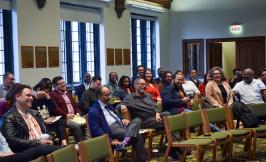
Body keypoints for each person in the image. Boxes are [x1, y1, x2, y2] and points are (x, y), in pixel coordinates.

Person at [89, 86, 147, 162]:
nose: (109, 97)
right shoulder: (94, 111)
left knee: (137, 120)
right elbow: (96, 130)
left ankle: (123, 143)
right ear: (99, 96)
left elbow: (116, 116)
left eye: (109, 94)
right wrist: (110, 141)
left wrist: (123, 119)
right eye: (107, 95)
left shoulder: (108, 105)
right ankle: (142, 160)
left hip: (121, 125)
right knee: (137, 135)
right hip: (112, 129)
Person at [0, 84, 60, 156]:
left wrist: (50, 139)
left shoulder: (35, 113)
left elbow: (46, 131)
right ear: (17, 97)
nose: (31, 98)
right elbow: (12, 141)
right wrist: (38, 142)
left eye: (31, 95)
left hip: (44, 146)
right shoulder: (8, 117)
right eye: (28, 95)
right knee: (62, 151)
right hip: (27, 150)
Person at [32, 78, 67, 146]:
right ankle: (60, 145)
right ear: (39, 90)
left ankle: (63, 143)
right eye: (45, 92)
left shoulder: (46, 98)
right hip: (41, 125)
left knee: (61, 121)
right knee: (58, 129)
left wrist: (48, 98)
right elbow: (32, 118)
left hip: (50, 122)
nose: (46, 94)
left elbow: (54, 109)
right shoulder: (32, 101)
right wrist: (44, 121)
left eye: (48, 92)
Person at [49, 76, 84, 142]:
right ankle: (81, 145)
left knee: (85, 122)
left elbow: (75, 105)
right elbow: (55, 109)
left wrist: (78, 112)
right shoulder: (52, 95)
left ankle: (85, 141)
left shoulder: (67, 92)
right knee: (75, 126)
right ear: (54, 86)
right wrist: (66, 115)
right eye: (61, 83)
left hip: (74, 116)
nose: (64, 84)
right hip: (63, 119)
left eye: (64, 82)